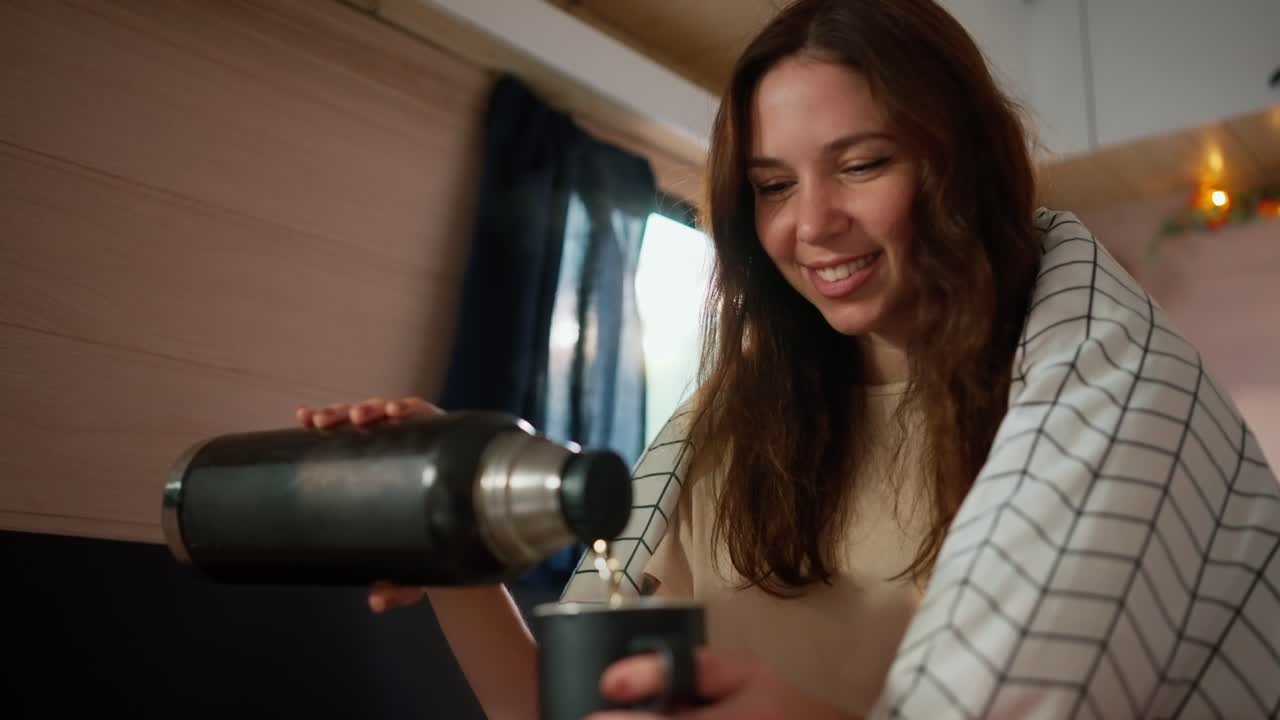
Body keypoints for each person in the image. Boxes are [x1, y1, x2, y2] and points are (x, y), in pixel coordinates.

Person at [297, 0, 1280, 717]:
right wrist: (455, 554)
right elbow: (558, 713)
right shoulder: (720, 425)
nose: (812, 224)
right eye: (771, 185)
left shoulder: (1089, 406)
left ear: (961, 163)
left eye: (860, 163)